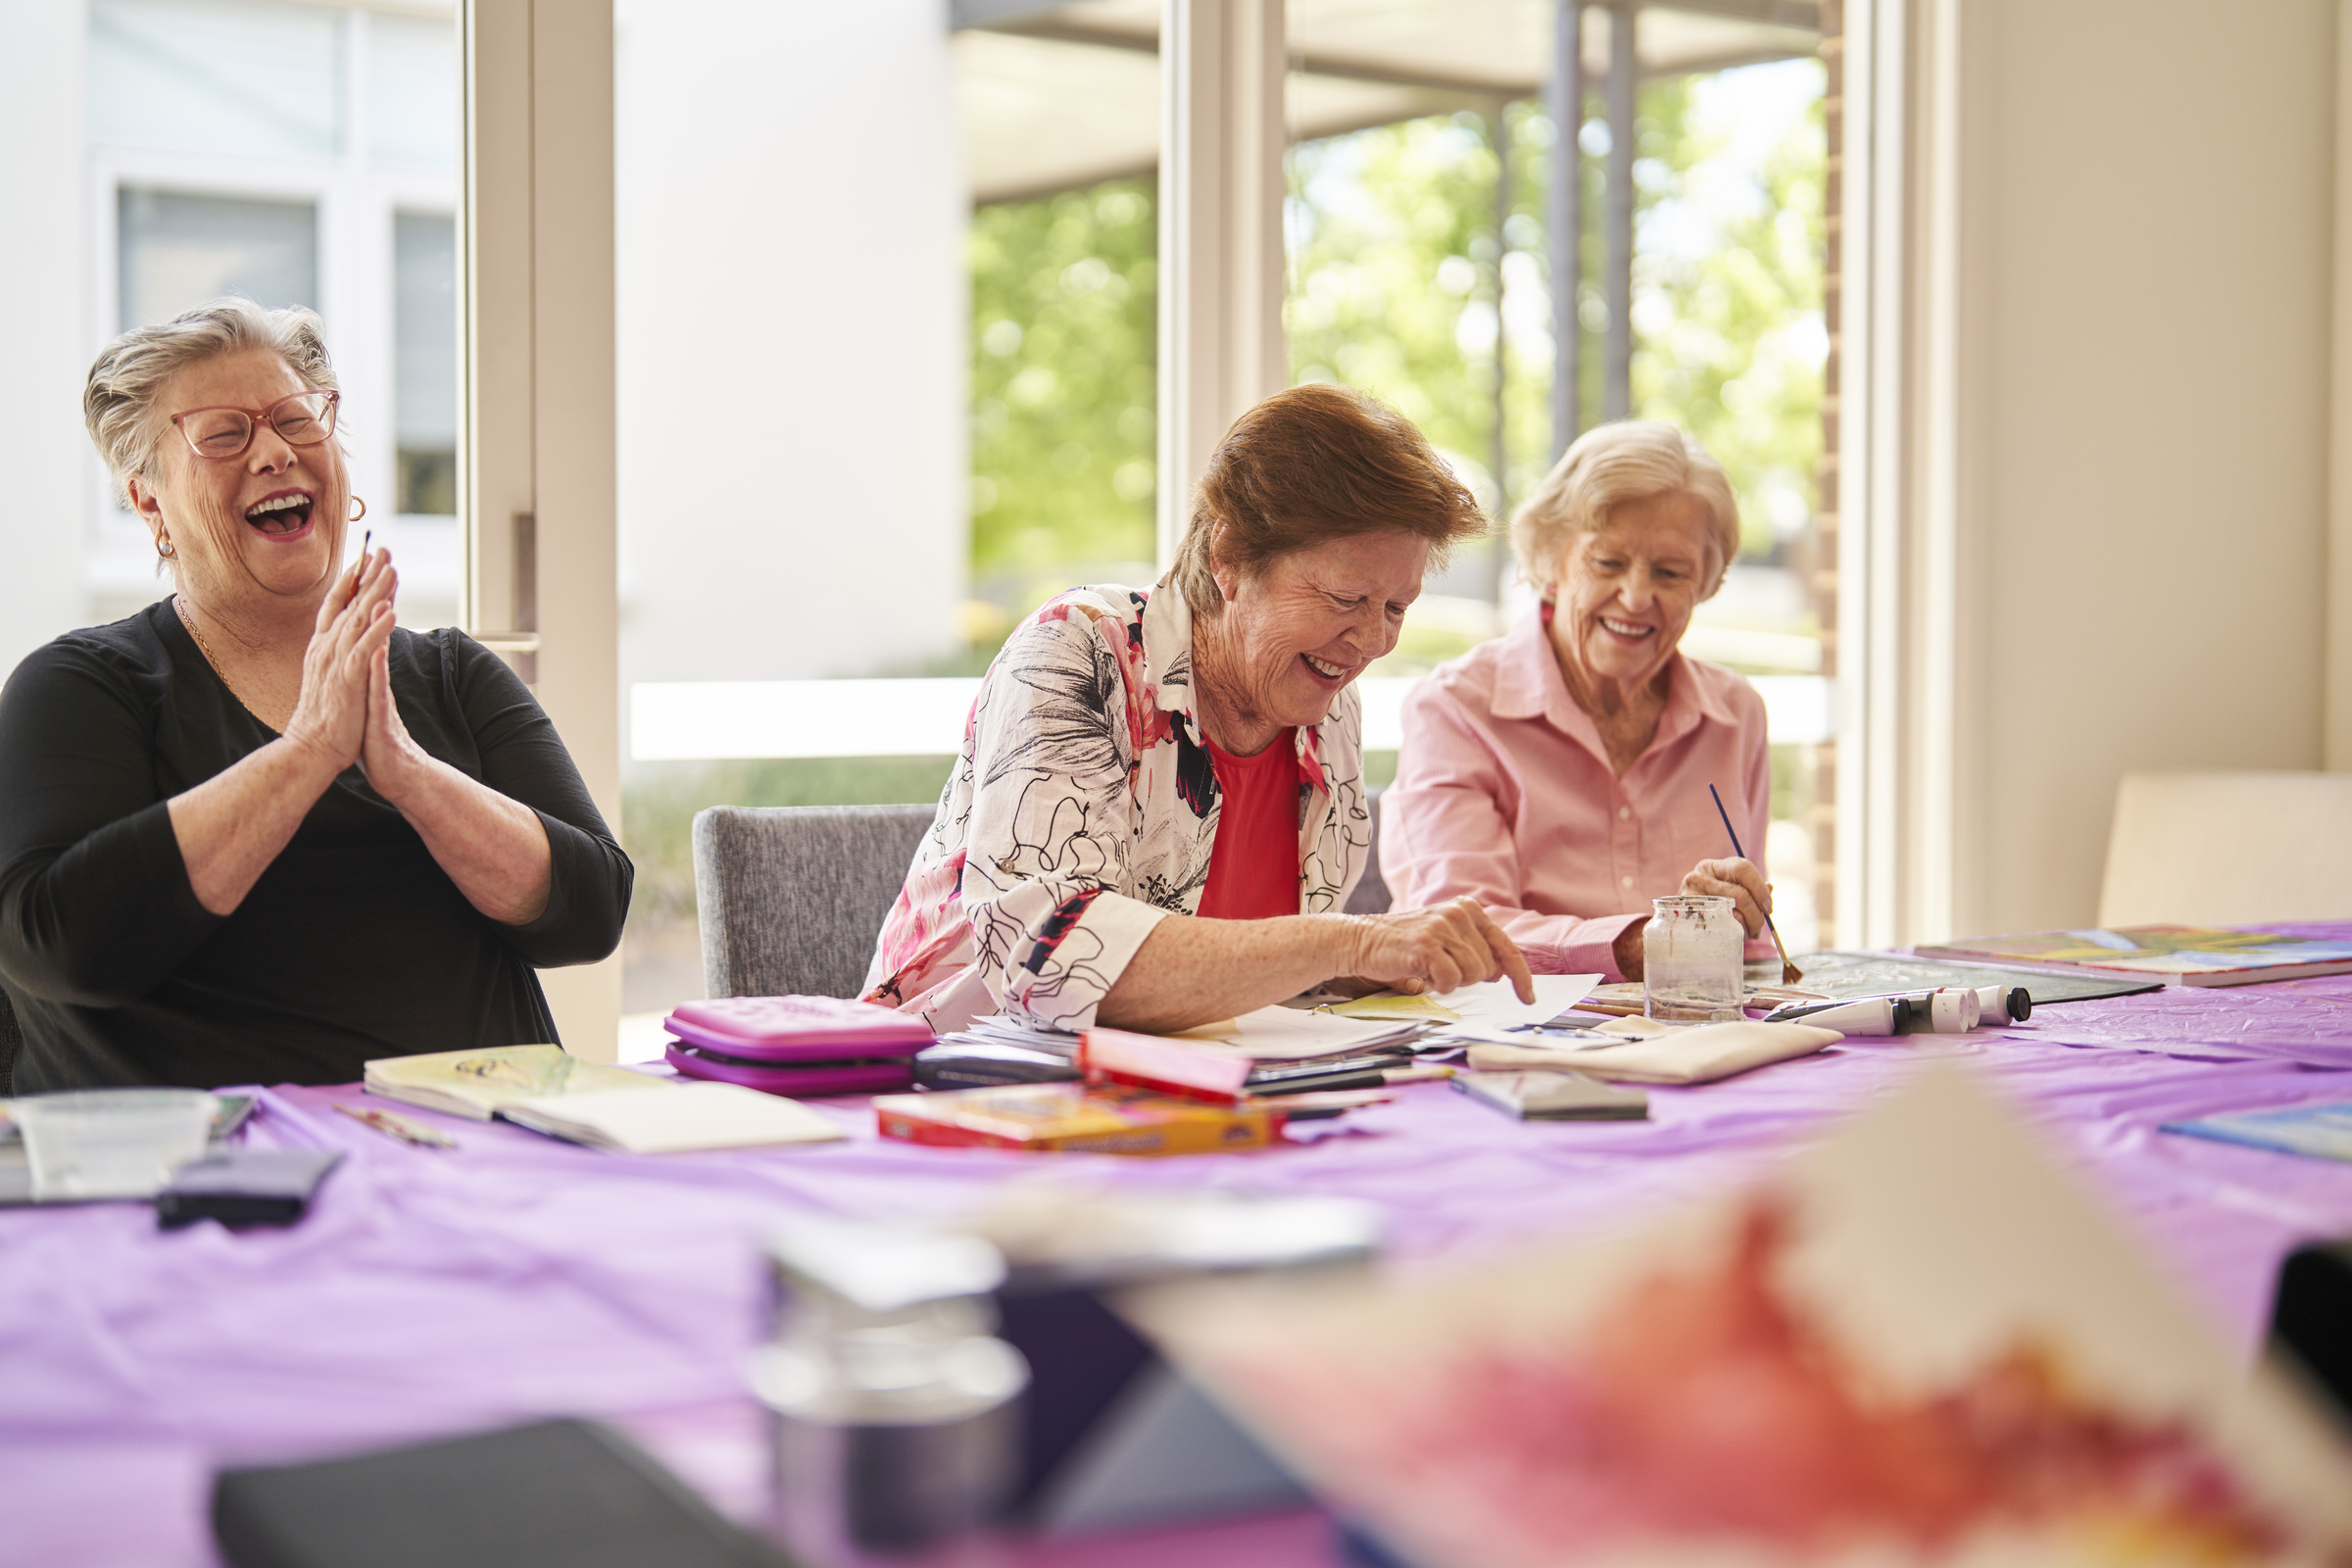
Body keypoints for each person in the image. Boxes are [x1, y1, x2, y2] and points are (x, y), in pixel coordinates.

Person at [0, 299, 631, 1091]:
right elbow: (65, 947)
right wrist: (306, 756)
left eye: (297, 422)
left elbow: (591, 911)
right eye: (224, 435)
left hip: (482, 1148)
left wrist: (405, 771)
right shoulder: (81, 686)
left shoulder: (452, 675)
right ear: (150, 500)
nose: (273, 453)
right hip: (220, 1179)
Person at [865, 383, 1534, 1035]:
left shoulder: (1326, 706)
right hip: (952, 1082)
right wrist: (1349, 945)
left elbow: (1253, 967)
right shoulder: (1081, 649)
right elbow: (1054, 961)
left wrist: (1369, 966)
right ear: (1230, 555)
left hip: (1189, 1090)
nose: (1374, 641)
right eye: (1344, 598)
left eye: (1396, 608)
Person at [1379, 420, 1775, 980]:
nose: (1637, 597)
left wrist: (1737, 919)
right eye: (1608, 563)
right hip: (1514, 1045)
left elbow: (1746, 945)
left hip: (1692, 1042)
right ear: (1551, 563)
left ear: (1704, 583)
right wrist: (1649, 942)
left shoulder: (1736, 717)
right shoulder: (1456, 710)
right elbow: (1457, 935)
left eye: (1671, 572)